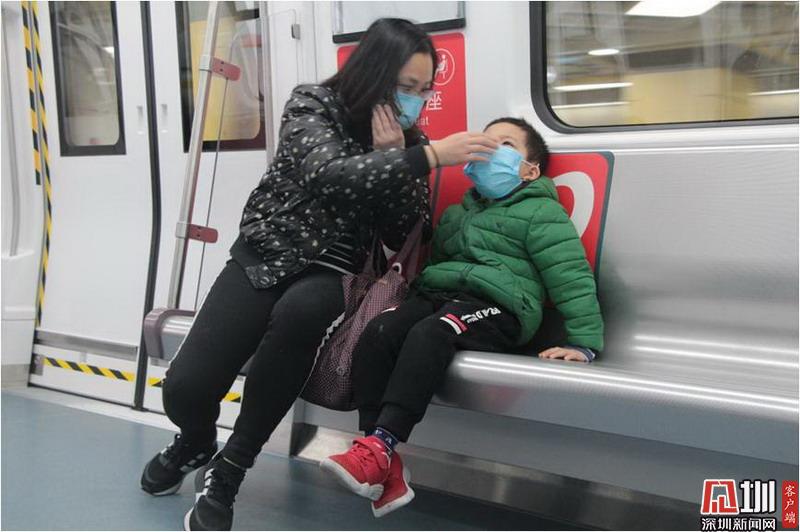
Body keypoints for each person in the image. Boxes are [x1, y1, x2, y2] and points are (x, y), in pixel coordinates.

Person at [139, 18, 499, 531]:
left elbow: (404, 228)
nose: (415, 100)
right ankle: (196, 441)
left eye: (423, 90)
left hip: (333, 274)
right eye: (406, 86)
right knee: (186, 388)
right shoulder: (313, 105)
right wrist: (426, 156)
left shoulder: (409, 140)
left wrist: (395, 156)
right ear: (374, 75)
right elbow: (327, 174)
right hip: (264, 258)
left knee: (303, 313)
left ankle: (231, 470)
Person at [320, 117, 604, 517]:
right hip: (441, 296)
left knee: (432, 333)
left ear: (530, 170)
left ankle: (382, 445)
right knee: (380, 329)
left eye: (506, 145)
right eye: (485, 143)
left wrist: (584, 342)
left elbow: (569, 275)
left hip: (500, 307)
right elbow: (438, 266)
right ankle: (378, 452)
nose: (491, 150)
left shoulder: (542, 212)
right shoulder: (458, 214)